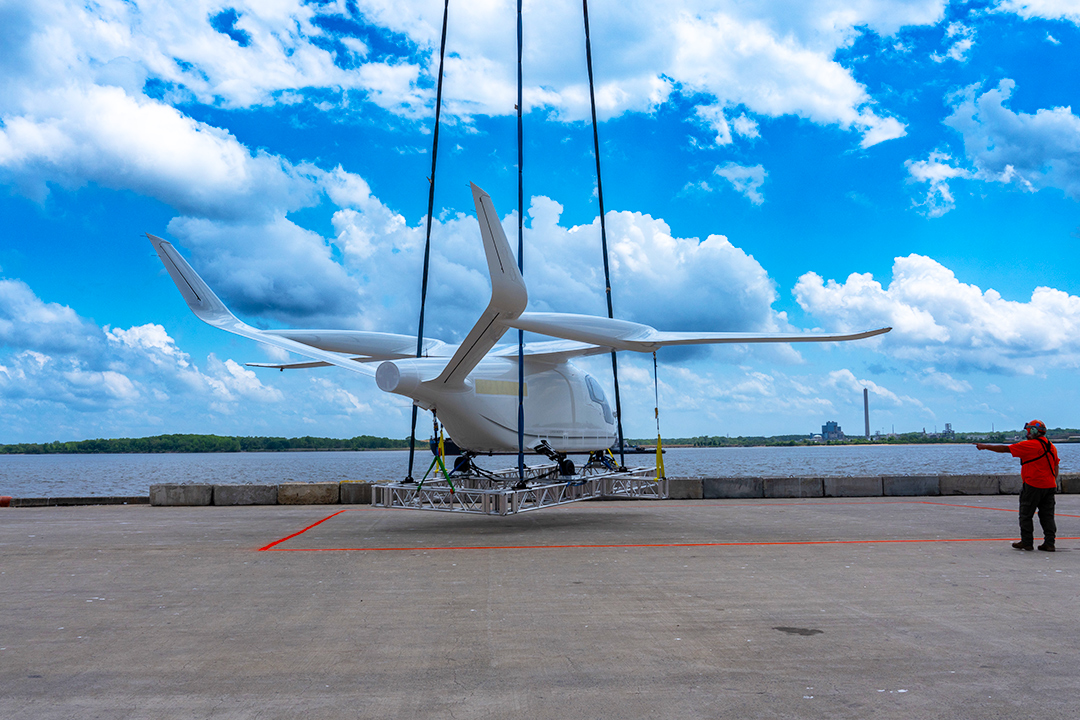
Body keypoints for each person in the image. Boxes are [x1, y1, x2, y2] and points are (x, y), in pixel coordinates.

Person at [976, 420, 1060, 551]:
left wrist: (985, 446)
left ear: (1033, 431)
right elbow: (1056, 466)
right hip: (1049, 486)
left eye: (1028, 431)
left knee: (1026, 514)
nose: (1027, 434)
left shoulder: (1030, 445)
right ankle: (1049, 543)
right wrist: (1052, 480)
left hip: (1033, 485)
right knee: (1047, 516)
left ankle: (1027, 542)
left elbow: (1006, 449)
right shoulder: (1051, 446)